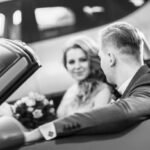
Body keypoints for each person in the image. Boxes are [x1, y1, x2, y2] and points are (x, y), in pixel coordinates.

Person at [23, 22, 150, 143]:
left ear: (110, 58)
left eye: (100, 57)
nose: (100, 64)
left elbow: (123, 111)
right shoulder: (133, 87)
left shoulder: (146, 87)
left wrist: (45, 131)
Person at [57, 36, 113, 118]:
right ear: (66, 65)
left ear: (92, 61)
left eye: (83, 60)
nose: (77, 66)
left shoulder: (103, 90)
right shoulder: (71, 90)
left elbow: (98, 124)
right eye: (71, 62)